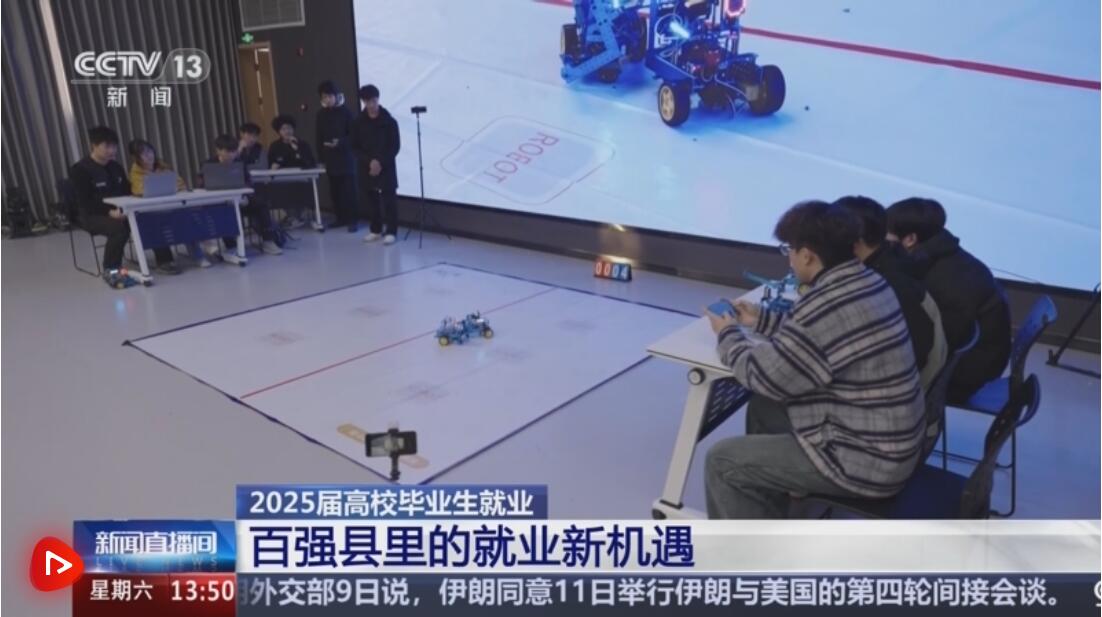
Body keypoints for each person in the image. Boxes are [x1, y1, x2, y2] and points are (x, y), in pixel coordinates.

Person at [704, 201, 925, 519]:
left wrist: (727, 333)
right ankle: (769, 512)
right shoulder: (868, 281)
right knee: (764, 408)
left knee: (722, 461)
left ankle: (750, 547)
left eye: (789, 250)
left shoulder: (823, 304)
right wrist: (760, 320)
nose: (789, 259)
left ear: (807, 255)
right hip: (889, 442)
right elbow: (824, 339)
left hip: (866, 462)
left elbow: (763, 376)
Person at [886, 198, 1011, 402]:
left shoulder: (947, 280)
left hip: (967, 373)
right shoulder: (940, 253)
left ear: (910, 239)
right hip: (977, 355)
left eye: (886, 233)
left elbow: (937, 345)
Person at [834, 196, 946, 390]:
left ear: (854, 241)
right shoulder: (892, 261)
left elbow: (907, 361)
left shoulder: (886, 286)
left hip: (890, 395)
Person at [68, 126, 179, 284]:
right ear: (94, 145)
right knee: (119, 229)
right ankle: (111, 269)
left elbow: (127, 191)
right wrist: (109, 212)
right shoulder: (80, 170)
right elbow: (85, 202)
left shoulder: (116, 167)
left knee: (151, 219)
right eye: (107, 146)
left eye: (114, 146)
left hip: (121, 210)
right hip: (92, 215)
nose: (112, 150)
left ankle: (165, 260)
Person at [128, 139, 217, 269]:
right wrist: (163, 188)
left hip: (172, 205)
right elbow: (139, 190)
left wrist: (172, 189)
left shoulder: (162, 166)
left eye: (150, 151)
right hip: (152, 210)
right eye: (143, 153)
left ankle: (201, 250)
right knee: (184, 218)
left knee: (188, 215)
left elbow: (180, 183)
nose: (149, 155)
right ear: (136, 157)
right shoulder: (135, 172)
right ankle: (202, 248)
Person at [201, 134, 282, 256]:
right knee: (223, 212)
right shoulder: (208, 165)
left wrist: (245, 197)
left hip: (240, 200)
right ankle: (231, 245)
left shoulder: (239, 163)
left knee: (261, 205)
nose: (231, 155)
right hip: (220, 203)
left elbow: (248, 182)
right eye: (227, 151)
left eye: (234, 151)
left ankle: (268, 241)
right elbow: (202, 186)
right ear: (218, 150)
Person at [352, 84, 400, 245]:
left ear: (378, 99)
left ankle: (391, 231)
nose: (371, 105)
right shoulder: (358, 122)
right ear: (363, 102)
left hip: (386, 166)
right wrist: (370, 161)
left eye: (374, 100)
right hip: (366, 166)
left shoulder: (389, 121)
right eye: (368, 102)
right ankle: (376, 229)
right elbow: (354, 147)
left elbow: (395, 146)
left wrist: (379, 162)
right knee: (371, 201)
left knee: (389, 200)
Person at [316, 80, 358, 232]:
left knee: (349, 191)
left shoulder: (346, 112)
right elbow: (318, 137)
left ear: (336, 96)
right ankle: (340, 218)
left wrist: (340, 142)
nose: (327, 100)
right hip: (330, 158)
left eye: (329, 96)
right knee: (335, 191)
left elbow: (353, 135)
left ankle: (353, 220)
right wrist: (321, 158)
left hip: (346, 158)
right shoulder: (321, 114)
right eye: (324, 97)